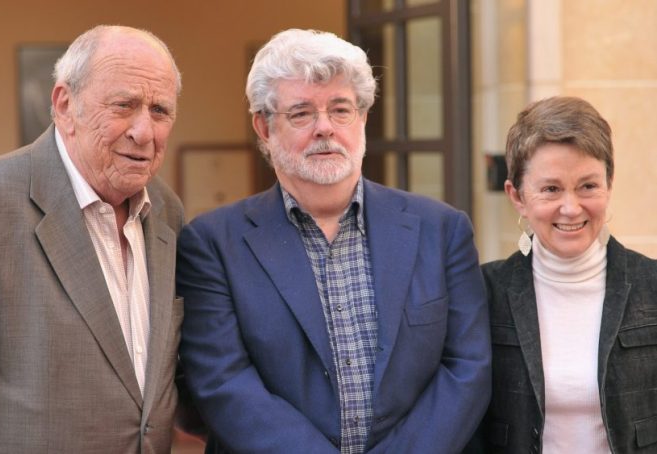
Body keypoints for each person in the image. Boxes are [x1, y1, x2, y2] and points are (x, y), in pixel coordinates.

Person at [176, 28, 490, 454]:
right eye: (301, 113)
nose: (325, 128)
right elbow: (223, 382)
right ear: (264, 128)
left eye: (340, 109)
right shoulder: (212, 244)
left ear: (361, 118)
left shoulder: (442, 230)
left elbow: (466, 370)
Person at [0, 25, 184, 453]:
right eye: (124, 105)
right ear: (65, 105)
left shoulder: (167, 210)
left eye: (160, 111)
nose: (144, 132)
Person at [470, 96, 657, 453]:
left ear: (609, 184)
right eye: (551, 189)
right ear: (517, 196)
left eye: (588, 186)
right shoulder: (484, 293)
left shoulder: (652, 286)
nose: (571, 208)